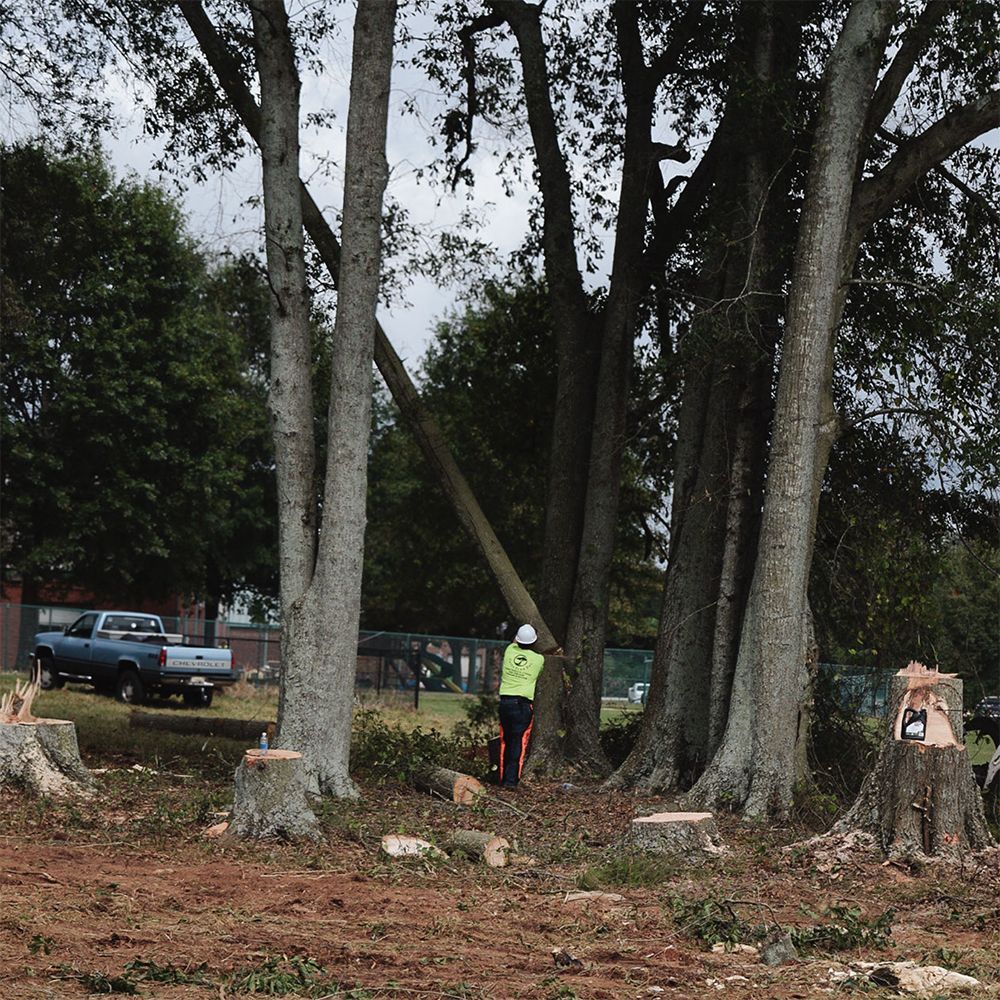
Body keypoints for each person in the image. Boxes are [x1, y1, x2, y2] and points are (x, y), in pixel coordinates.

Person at [497, 623, 546, 788]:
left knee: (506, 740)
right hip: (522, 706)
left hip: (505, 703)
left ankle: (502, 777)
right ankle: (511, 781)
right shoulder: (539, 659)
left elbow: (514, 642)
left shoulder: (509, 651)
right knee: (519, 742)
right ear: (534, 642)